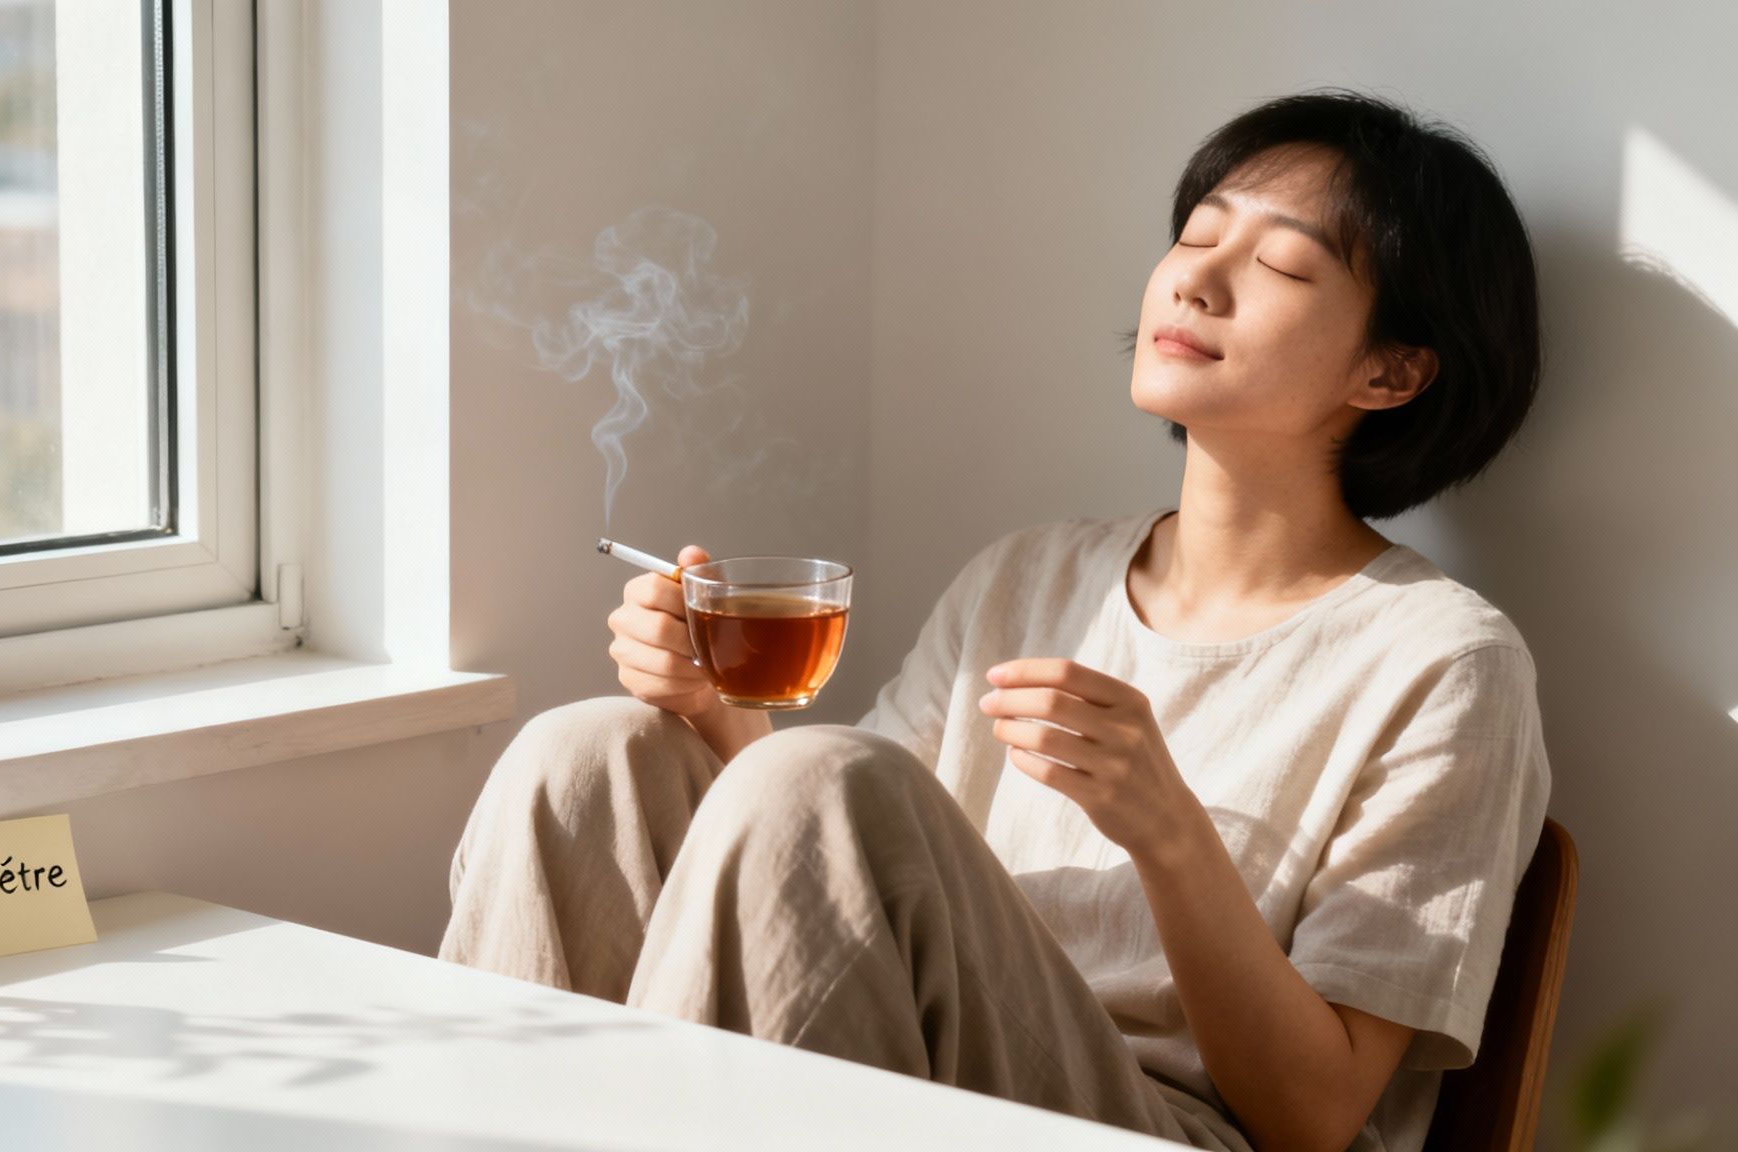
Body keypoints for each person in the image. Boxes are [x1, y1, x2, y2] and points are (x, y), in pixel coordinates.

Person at [440, 87, 1551, 1152]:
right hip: (924, 1070)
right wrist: (708, 711)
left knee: (823, 778)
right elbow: (817, 863)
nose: (1193, 283)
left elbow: (1310, 1122)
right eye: (1193, 237)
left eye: (1277, 266)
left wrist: (1165, 831)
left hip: (1173, 1126)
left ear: (1391, 370)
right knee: (587, 753)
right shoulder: (1027, 577)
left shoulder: (1443, 663)